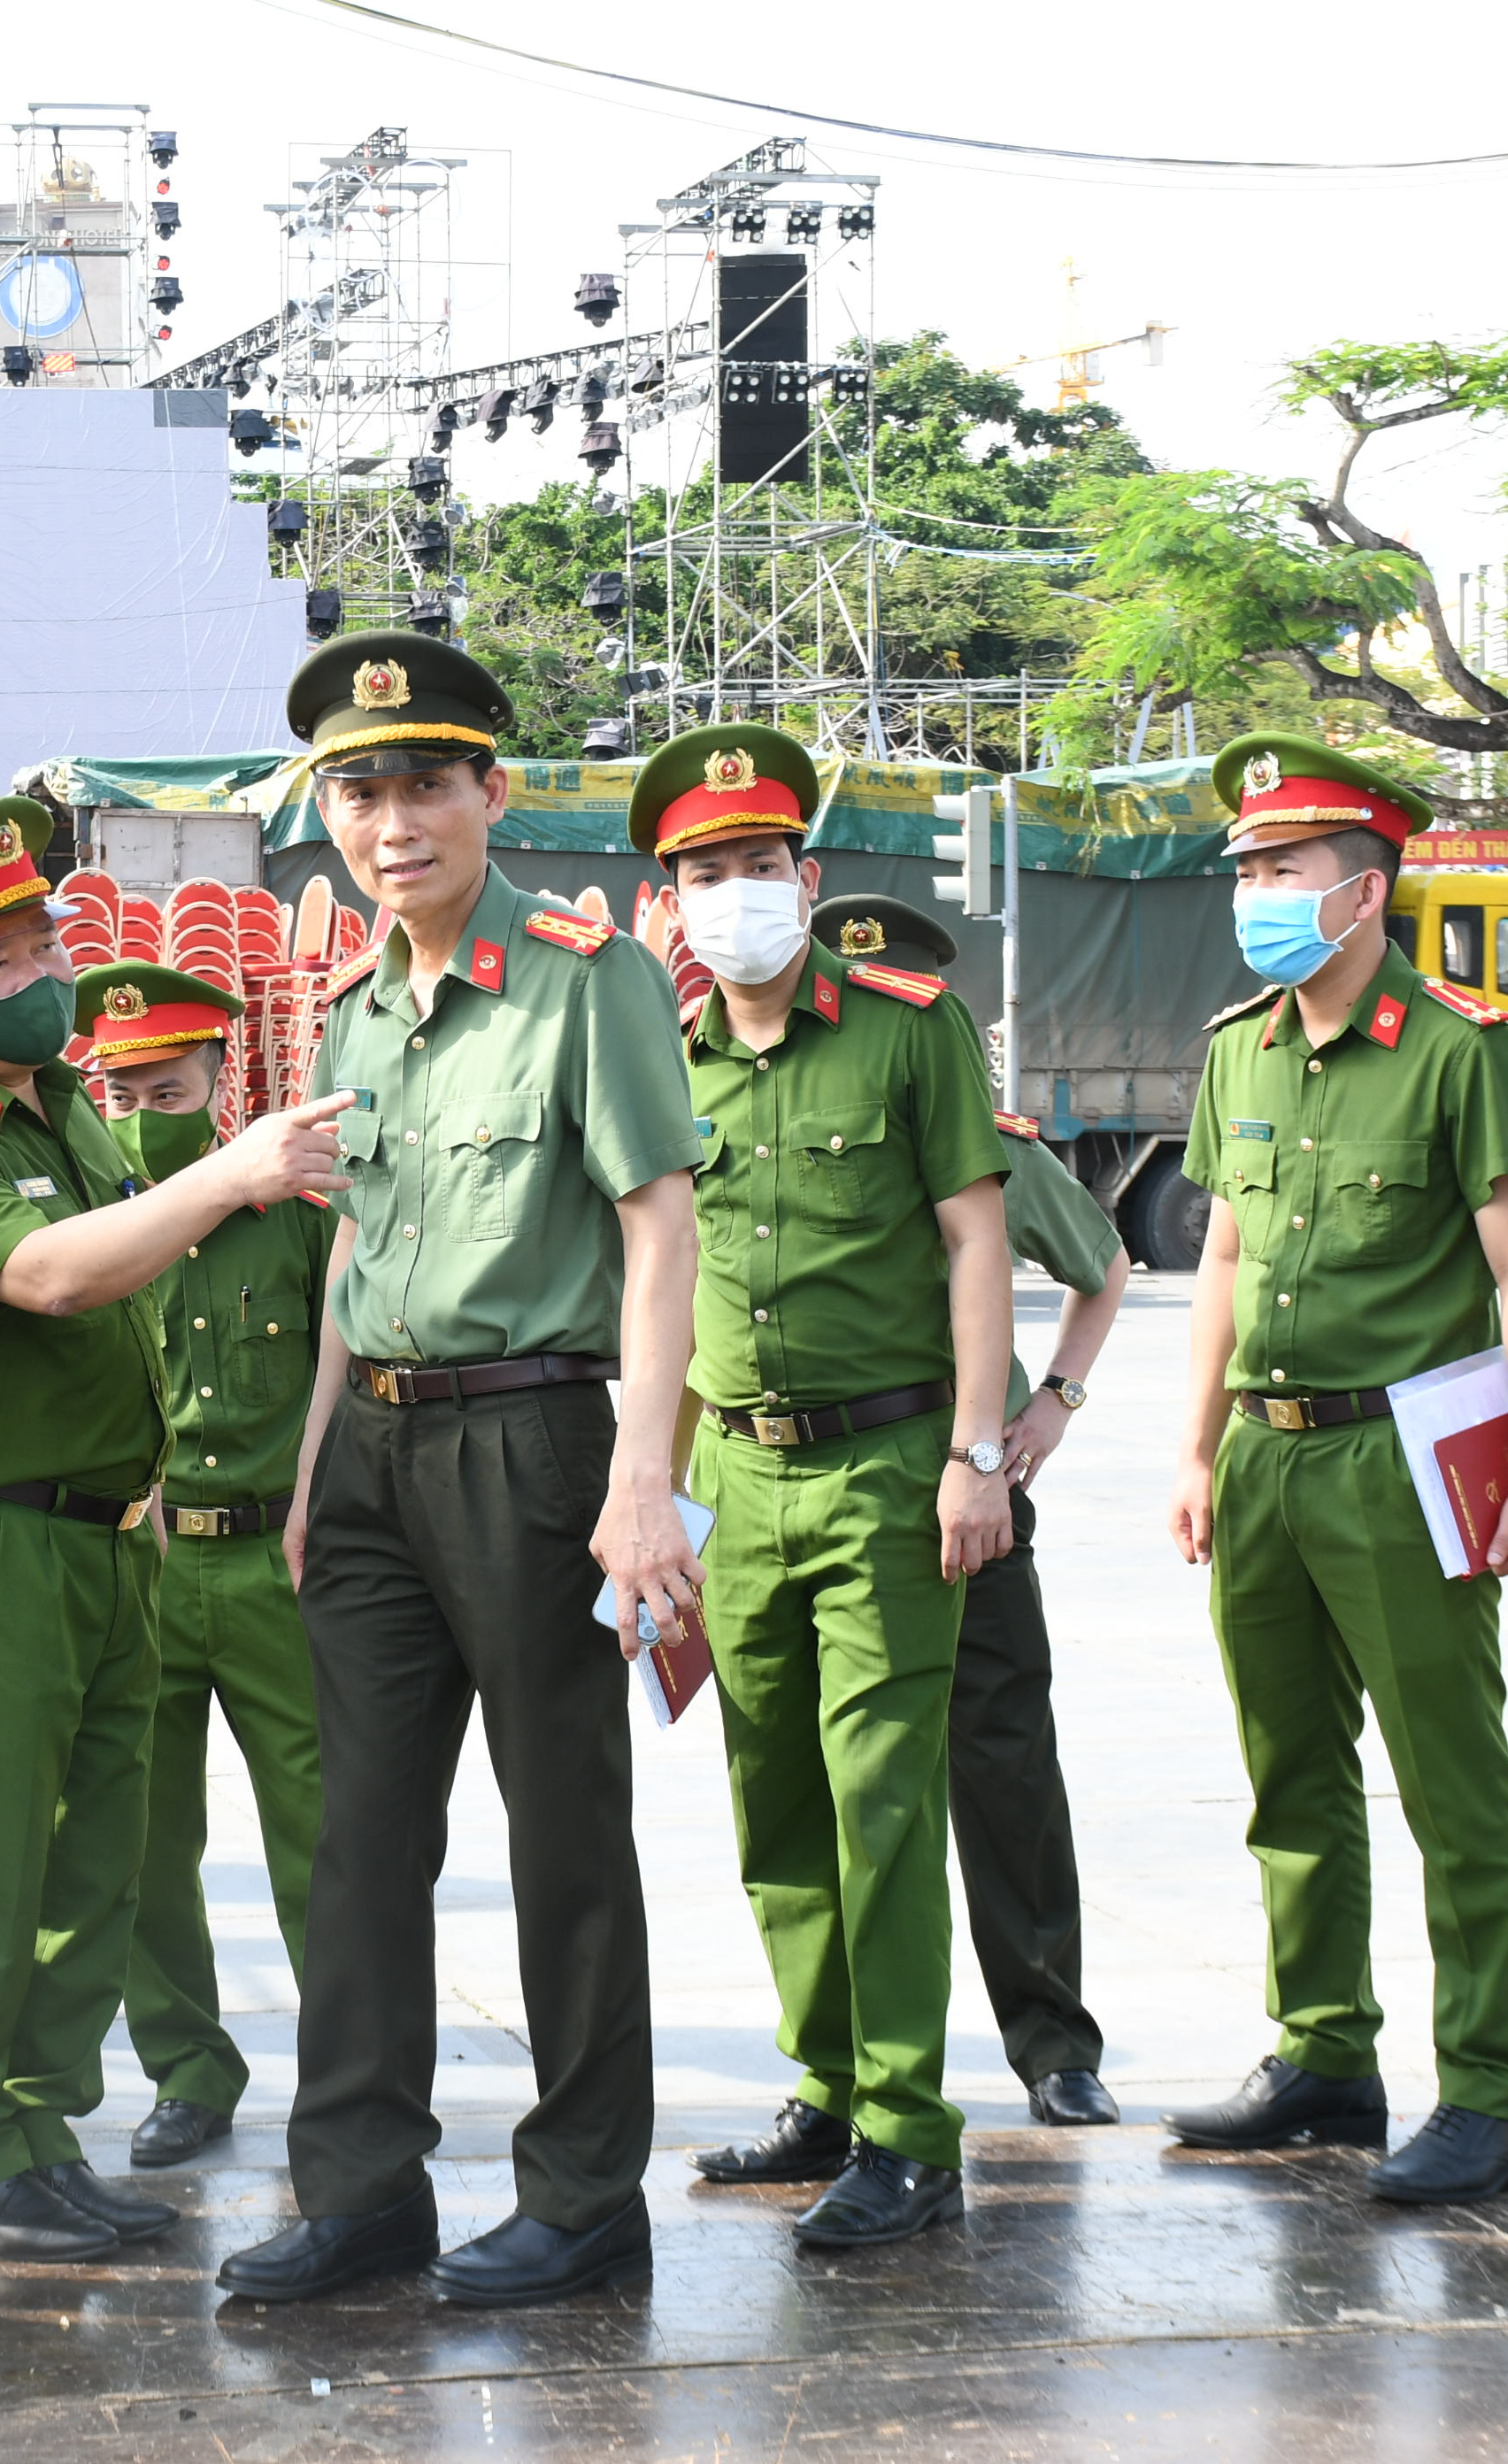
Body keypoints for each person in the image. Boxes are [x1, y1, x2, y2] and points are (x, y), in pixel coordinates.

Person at [217, 635, 708, 2311]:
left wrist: (644, 1473)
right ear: (325, 818)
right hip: (369, 1450)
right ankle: (359, 2189)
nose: (392, 819)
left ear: (491, 792)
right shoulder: (351, 1006)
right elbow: (359, 1253)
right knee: (358, 1835)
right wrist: (307, 1472)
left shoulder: (588, 976)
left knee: (562, 1824)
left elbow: (658, 1223)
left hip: (538, 1435)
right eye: (358, 788)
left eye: (426, 781)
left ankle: (583, 2195)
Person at [0, 796, 346, 2266]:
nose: (33, 973)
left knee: (93, 1861)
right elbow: (53, 1276)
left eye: (39, 939)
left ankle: (36, 2125)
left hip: (108, 1535)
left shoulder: (59, 1104)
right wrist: (231, 1172)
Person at [1158, 735, 1508, 2206]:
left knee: (1449, 1778)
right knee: (1287, 1768)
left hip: (1412, 1448)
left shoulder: (1467, 1049)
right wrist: (1195, 1443)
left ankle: (1488, 2091)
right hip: (1267, 1454)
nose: (1259, 894)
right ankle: (1325, 2049)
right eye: (1249, 871)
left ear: (1367, 887)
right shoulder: (1239, 1045)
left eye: (1286, 869)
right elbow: (1220, 1253)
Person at [641, 731, 1012, 2252]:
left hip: (883, 1465)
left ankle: (912, 2126)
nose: (736, 894)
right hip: (732, 1467)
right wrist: (649, 1498)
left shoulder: (910, 1028)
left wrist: (979, 1451)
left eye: (758, 866)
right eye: (704, 873)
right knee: (772, 1793)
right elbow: (656, 1291)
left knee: (877, 1795)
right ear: (666, 899)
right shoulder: (662, 1058)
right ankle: (830, 2078)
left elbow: (978, 1241)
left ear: (805, 877)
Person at [814, 893, 1141, 2129]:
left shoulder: (983, 1140)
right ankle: (849, 2066)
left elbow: (1101, 1265)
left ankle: (1052, 2042)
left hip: (973, 1503)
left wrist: (1051, 1401)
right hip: (827, 1490)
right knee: (840, 1791)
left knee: (1000, 1769)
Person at [74, 959, 335, 2170]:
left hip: (281, 1561)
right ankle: (185, 2067)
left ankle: (348, 2066)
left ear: (223, 1079)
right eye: (118, 1088)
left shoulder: (296, 1218)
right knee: (140, 1836)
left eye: (166, 1083)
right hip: (146, 1560)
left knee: (322, 1832)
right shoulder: (87, 1224)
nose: (140, 1110)